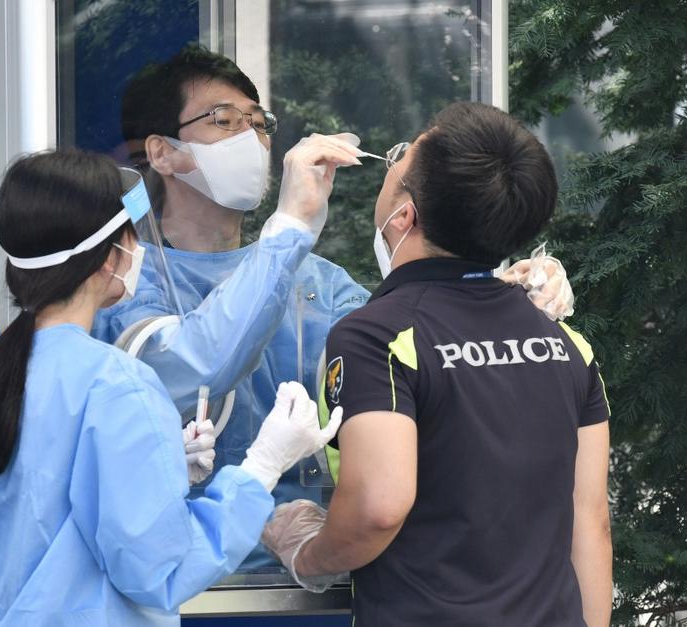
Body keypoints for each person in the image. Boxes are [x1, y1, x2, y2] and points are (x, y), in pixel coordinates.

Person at [92, 46, 576, 571]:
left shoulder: (318, 283)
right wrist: (290, 228)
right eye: (224, 120)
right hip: (179, 584)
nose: (252, 138)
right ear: (162, 154)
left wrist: (497, 288)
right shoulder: (125, 277)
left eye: (259, 123)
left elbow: (409, 357)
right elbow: (189, 367)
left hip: (301, 579)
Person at [0, 147, 343, 626]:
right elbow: (160, 570)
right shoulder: (116, 385)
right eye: (134, 237)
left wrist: (161, 468)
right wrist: (261, 468)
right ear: (111, 258)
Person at [262, 102, 613, 627]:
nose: (391, 163)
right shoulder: (564, 343)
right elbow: (592, 522)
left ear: (405, 217)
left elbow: (379, 509)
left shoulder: (375, 336)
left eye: (399, 161)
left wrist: (307, 551)